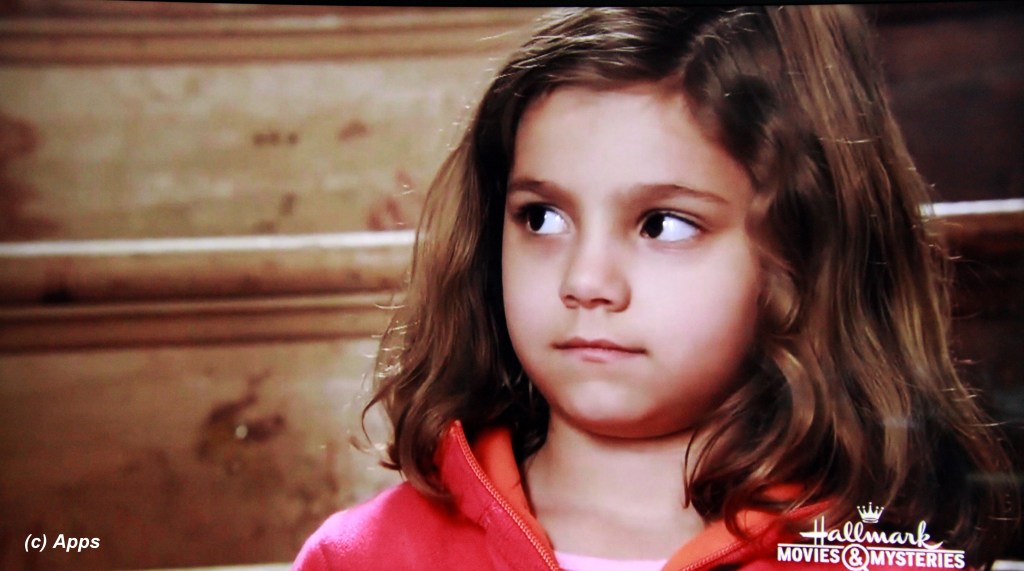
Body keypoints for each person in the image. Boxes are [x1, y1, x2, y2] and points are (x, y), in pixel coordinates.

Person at [293, 7, 1017, 570]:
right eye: (542, 217)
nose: (585, 282)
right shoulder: (362, 556)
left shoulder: (887, 557)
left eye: (663, 225)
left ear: (802, 254)